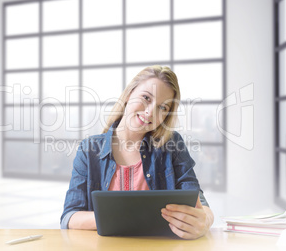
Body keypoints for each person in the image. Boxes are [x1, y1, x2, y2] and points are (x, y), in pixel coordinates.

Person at [60, 65, 214, 239]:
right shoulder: (90, 149)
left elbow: (198, 201)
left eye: (162, 108)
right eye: (146, 98)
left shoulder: (172, 143)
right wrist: (125, 218)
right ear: (128, 94)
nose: (149, 113)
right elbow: (69, 217)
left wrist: (206, 220)